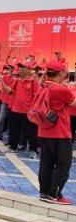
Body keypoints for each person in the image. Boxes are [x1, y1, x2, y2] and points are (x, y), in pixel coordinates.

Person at [37, 61, 76, 205]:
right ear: (60, 74)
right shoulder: (61, 90)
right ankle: (54, 194)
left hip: (43, 131)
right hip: (60, 133)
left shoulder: (43, 86)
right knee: (63, 165)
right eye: (65, 71)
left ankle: (44, 192)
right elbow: (74, 102)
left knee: (46, 164)